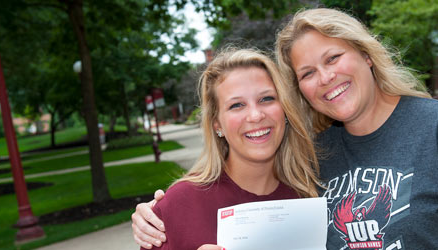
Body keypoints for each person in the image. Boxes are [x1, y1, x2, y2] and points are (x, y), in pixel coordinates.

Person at [133, 8, 438, 250]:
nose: (325, 78)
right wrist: (159, 212)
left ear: (366, 55)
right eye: (307, 72)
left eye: (333, 57)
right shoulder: (316, 159)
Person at [132, 48, 321, 249]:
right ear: (217, 124)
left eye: (266, 99)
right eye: (237, 105)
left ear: (285, 109)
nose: (255, 115)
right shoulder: (178, 206)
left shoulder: (310, 193)